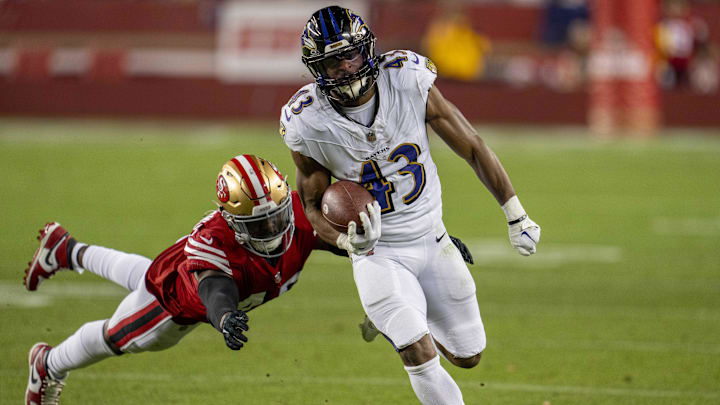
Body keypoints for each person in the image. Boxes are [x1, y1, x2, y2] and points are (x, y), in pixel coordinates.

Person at [280, 6, 541, 404]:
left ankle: (396, 319)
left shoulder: (407, 79)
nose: (345, 67)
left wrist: (515, 212)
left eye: (350, 54)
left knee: (469, 355)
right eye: (332, 61)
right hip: (377, 253)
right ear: (316, 68)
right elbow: (313, 206)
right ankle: (398, 320)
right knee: (418, 352)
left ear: (367, 50)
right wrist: (349, 244)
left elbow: (472, 146)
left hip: (432, 238)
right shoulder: (308, 120)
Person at [22, 154, 345, 404]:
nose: (273, 230)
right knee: (122, 337)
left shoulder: (300, 215)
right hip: (173, 300)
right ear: (232, 222)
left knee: (145, 275)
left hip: (173, 267)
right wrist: (225, 317)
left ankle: (66, 249)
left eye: (276, 217)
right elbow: (215, 288)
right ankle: (48, 363)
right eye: (259, 225)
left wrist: (359, 243)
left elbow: (337, 239)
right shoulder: (215, 242)